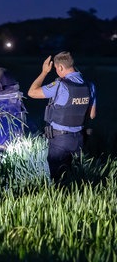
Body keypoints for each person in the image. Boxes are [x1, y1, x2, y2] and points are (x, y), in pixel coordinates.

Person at [27, 51, 96, 181]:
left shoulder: (60, 85)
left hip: (60, 141)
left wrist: (44, 72)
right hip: (79, 140)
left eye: (56, 69)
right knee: (76, 178)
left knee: (58, 180)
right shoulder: (89, 85)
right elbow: (92, 115)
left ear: (60, 67)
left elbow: (32, 92)